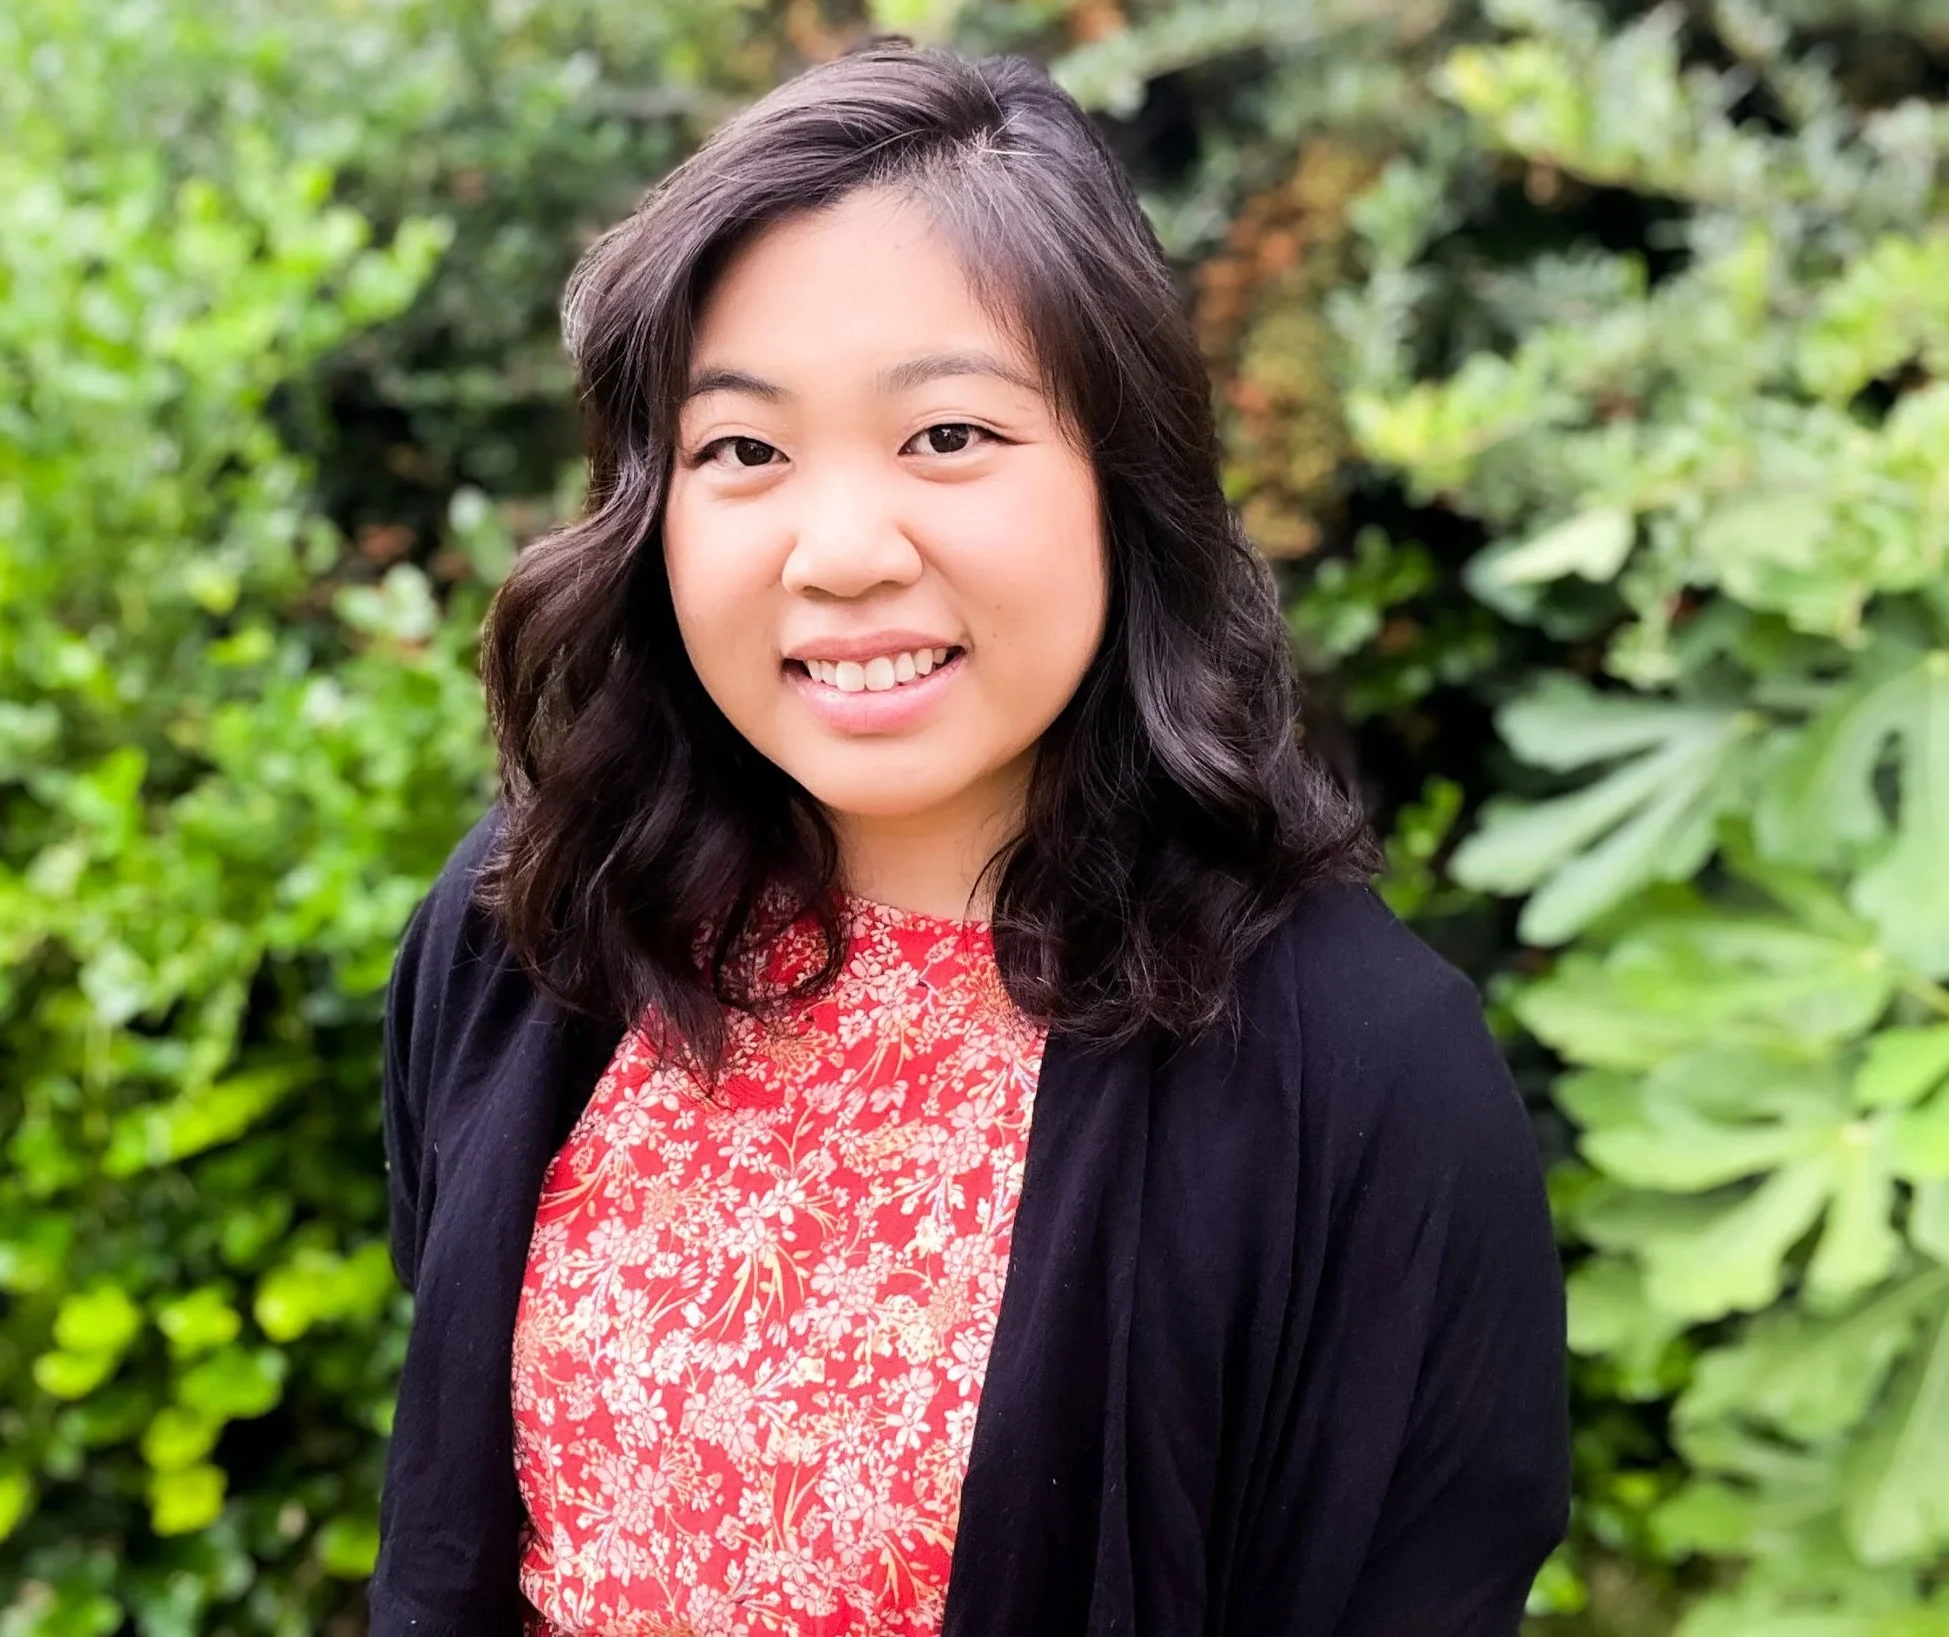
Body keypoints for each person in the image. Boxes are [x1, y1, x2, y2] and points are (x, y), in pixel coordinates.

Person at [371, 36, 1569, 1637]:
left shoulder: (1358, 1075)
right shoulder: (543, 922)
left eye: (947, 436)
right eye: (743, 452)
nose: (840, 552)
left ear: (1120, 479)